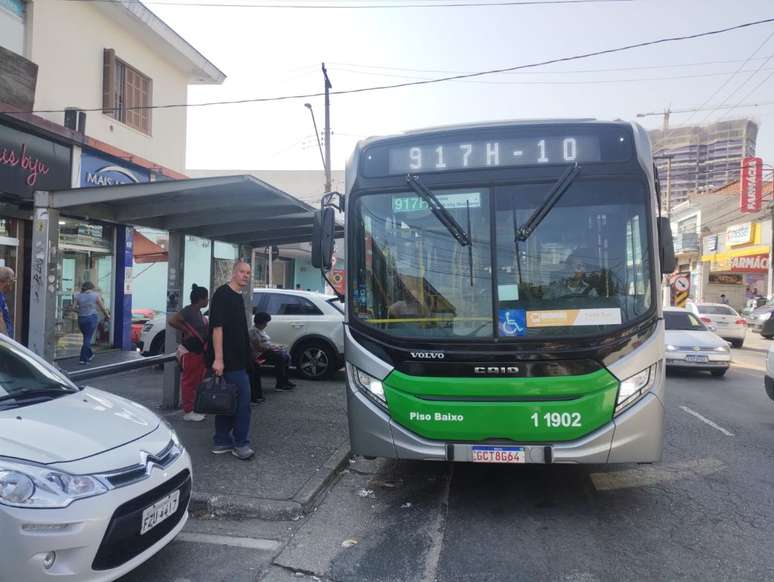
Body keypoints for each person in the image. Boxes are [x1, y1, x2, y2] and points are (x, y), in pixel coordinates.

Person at [207, 260, 255, 460]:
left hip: (238, 359)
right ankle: (241, 444)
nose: (246, 275)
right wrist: (218, 359)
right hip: (228, 360)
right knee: (243, 403)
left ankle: (221, 441)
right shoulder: (222, 294)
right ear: (234, 273)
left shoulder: (238, 296)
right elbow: (217, 328)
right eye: (242, 272)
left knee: (226, 399)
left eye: (248, 273)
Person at [168, 284, 209, 422]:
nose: (207, 301)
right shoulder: (189, 311)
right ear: (201, 299)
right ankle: (188, 411)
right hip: (190, 352)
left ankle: (194, 408)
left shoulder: (197, 312)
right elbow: (172, 321)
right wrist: (186, 331)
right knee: (189, 382)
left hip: (197, 351)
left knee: (196, 380)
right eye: (206, 298)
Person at [250, 312, 295, 391]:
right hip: (259, 356)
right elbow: (258, 348)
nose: (266, 325)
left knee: (286, 355)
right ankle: (280, 384)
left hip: (266, 352)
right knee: (280, 357)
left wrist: (275, 347)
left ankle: (285, 381)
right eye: (265, 323)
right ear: (261, 322)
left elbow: (267, 343)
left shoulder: (261, 330)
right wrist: (272, 349)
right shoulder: (253, 332)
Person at [73, 281, 110, 365]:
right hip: (91, 318)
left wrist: (81, 311)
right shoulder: (95, 295)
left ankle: (90, 354)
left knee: (86, 336)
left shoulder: (77, 296)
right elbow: (102, 307)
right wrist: (107, 315)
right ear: (91, 288)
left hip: (81, 319)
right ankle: (83, 359)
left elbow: (73, 308)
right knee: (87, 338)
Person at [0, 267, 15, 338]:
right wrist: (7, 340)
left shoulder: (1, 294)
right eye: (13, 280)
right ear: (8, 281)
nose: (12, 284)